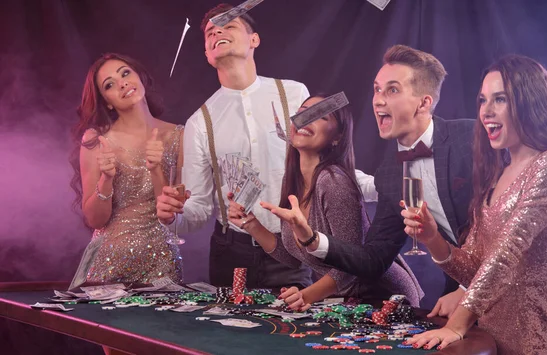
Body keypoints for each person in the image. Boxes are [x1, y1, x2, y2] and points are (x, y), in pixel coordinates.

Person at [155, 4, 376, 289]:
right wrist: (173, 216)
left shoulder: (295, 94)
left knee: (290, 330)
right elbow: (196, 209)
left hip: (291, 247)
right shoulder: (200, 122)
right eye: (211, 31)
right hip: (230, 252)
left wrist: (384, 187)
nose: (218, 31)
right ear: (208, 54)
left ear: (254, 40)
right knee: (227, 332)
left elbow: (325, 167)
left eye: (229, 25)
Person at [403, 54, 547, 354]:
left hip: (543, 340)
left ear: (530, 102)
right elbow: (473, 269)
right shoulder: (497, 176)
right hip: (493, 339)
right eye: (482, 100)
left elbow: (507, 254)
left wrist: (457, 324)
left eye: (499, 100)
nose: (486, 112)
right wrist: (432, 237)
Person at [289, 45, 475, 303]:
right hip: (459, 287)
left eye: (393, 90)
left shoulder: (470, 138)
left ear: (423, 103)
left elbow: (506, 225)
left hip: (515, 281)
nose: (377, 99)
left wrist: (468, 292)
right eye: (377, 89)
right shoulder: (389, 173)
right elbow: (374, 260)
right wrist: (312, 239)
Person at [228, 95, 423, 309]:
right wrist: (252, 225)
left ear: (337, 137)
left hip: (383, 297)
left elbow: (351, 266)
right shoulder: (293, 179)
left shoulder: (333, 181)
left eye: (321, 116)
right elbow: (294, 256)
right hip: (345, 301)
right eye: (302, 112)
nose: (305, 119)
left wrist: (306, 295)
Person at [69, 53, 183, 285]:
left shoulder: (178, 135)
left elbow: (173, 214)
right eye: (109, 85)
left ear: (140, 78)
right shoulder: (96, 139)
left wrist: (156, 169)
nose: (122, 83)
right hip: (107, 266)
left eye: (125, 73)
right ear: (107, 101)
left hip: (161, 265)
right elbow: (94, 219)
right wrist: (106, 179)